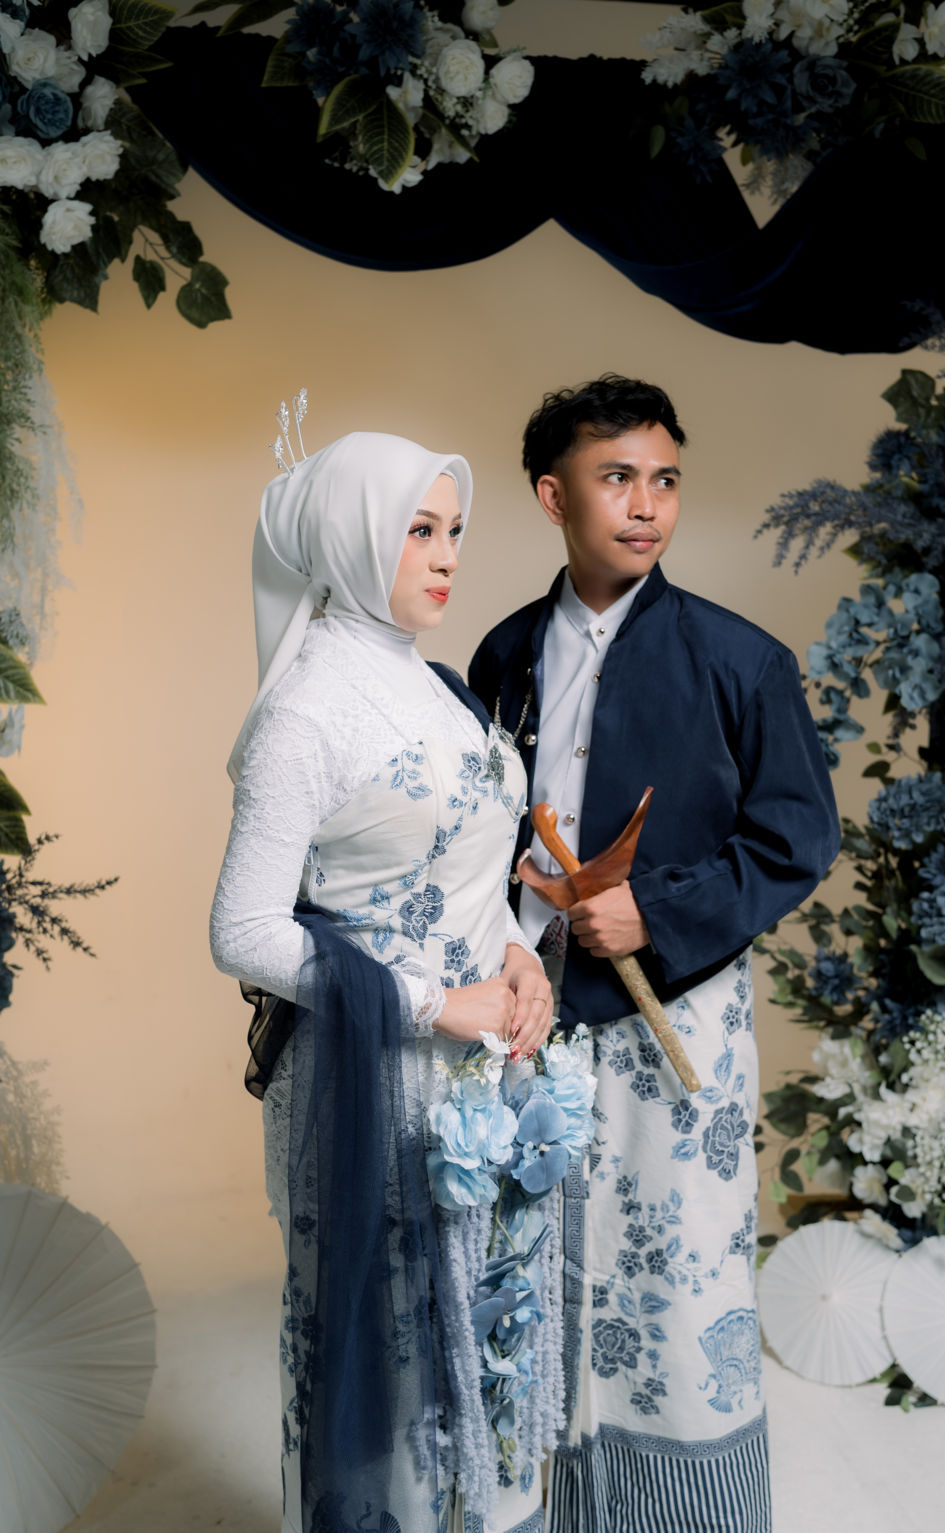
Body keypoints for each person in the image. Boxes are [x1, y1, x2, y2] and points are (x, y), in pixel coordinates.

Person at [468, 376, 841, 1533]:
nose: (645, 505)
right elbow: (475, 832)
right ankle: (539, 1505)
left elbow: (797, 839)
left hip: (676, 1019)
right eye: (616, 478)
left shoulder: (740, 661)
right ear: (553, 496)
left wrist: (658, 914)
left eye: (664, 480)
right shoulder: (504, 655)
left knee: (674, 1282)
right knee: (526, 1262)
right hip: (528, 1014)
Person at [210, 419, 560, 1533]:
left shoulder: (438, 685)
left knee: (487, 1331)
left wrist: (518, 955)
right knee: (395, 1359)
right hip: (375, 1085)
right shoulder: (306, 712)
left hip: (485, 1077)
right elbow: (242, 929)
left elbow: (472, 865)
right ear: (351, 537)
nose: (448, 556)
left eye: (454, 530)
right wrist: (434, 1003)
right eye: (418, 531)